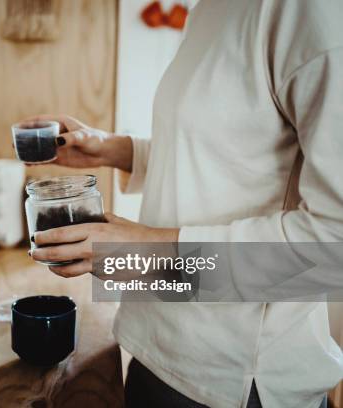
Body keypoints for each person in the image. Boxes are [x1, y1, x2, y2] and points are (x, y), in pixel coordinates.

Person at [24, 1, 343, 407]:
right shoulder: (210, 8)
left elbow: (331, 245)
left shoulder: (307, 12)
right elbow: (229, 151)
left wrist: (141, 254)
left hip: (231, 381)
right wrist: (116, 150)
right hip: (156, 345)